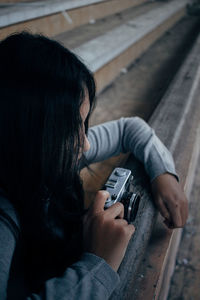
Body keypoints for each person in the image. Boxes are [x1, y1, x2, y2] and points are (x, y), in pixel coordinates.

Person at [0, 32, 188, 300]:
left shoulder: (49, 154)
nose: (86, 145)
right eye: (69, 128)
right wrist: (97, 263)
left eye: (83, 123)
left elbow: (129, 128)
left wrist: (163, 173)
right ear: (26, 132)